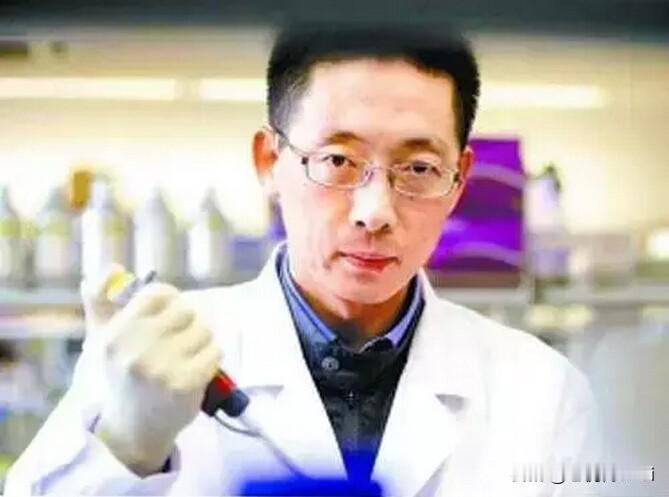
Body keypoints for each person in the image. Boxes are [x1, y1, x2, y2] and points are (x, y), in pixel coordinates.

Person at [5, 25, 599, 496]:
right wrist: (127, 448)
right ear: (269, 161)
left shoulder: (541, 391)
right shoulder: (146, 358)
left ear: (459, 181)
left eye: (418, 168)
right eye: (338, 160)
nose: (374, 211)